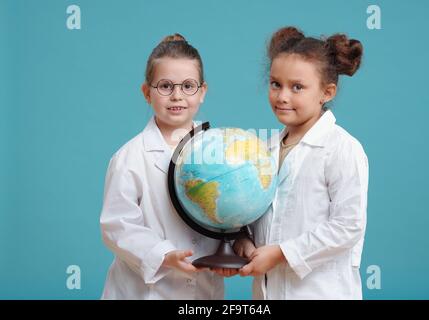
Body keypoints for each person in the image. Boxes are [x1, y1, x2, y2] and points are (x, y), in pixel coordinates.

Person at [235, 26, 369, 299]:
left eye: (297, 87)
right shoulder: (264, 149)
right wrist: (243, 241)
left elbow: (348, 226)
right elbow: (255, 212)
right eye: (276, 84)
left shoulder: (342, 149)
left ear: (327, 92)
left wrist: (283, 253)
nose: (283, 96)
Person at [100, 34, 224, 299]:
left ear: (202, 92)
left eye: (188, 86)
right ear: (147, 93)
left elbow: (230, 209)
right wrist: (162, 255)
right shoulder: (129, 157)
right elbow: (117, 226)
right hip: (143, 292)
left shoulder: (221, 151)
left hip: (202, 291)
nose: (177, 95)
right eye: (165, 86)